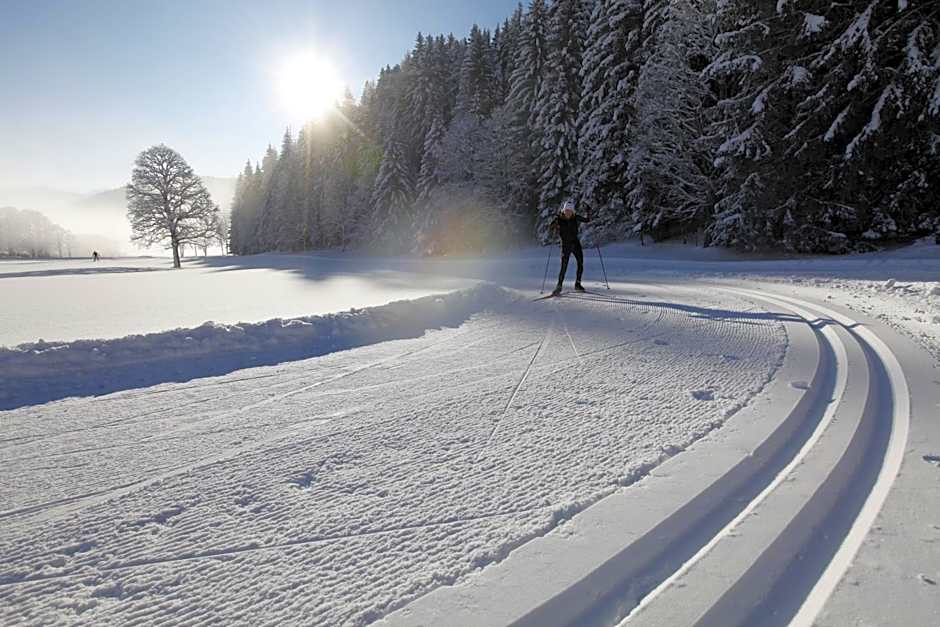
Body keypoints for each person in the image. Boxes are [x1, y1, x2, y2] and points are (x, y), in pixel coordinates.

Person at [550, 200, 590, 296]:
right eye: (566, 210)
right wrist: (554, 225)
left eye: (570, 211)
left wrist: (588, 211)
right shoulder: (559, 219)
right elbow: (551, 228)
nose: (568, 212)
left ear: (572, 211)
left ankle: (578, 284)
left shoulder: (575, 217)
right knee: (564, 266)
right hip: (566, 245)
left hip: (576, 244)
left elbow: (587, 220)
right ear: (563, 211)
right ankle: (559, 286)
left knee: (580, 263)